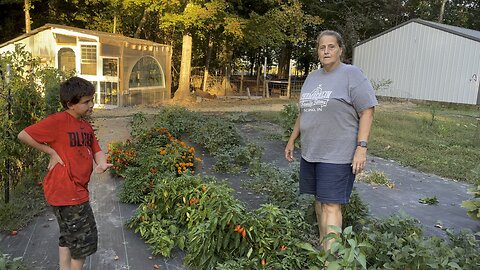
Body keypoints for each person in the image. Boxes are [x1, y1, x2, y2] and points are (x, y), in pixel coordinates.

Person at [284, 30, 377, 251]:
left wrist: (361, 148)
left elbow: (367, 111)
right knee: (318, 201)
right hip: (311, 151)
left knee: (331, 205)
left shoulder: (351, 74)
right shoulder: (312, 77)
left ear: (340, 50)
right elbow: (304, 112)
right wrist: (291, 140)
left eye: (331, 46)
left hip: (337, 153)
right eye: (322, 47)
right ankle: (325, 248)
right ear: (317, 51)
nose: (326, 51)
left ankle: (331, 259)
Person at [18, 77, 112, 270]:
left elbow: (96, 149)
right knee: (84, 240)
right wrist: (51, 151)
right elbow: (24, 135)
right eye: (86, 102)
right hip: (67, 191)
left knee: (68, 235)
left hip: (72, 191)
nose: (91, 105)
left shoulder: (85, 126)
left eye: (91, 100)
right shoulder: (58, 121)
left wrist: (102, 163)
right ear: (70, 104)